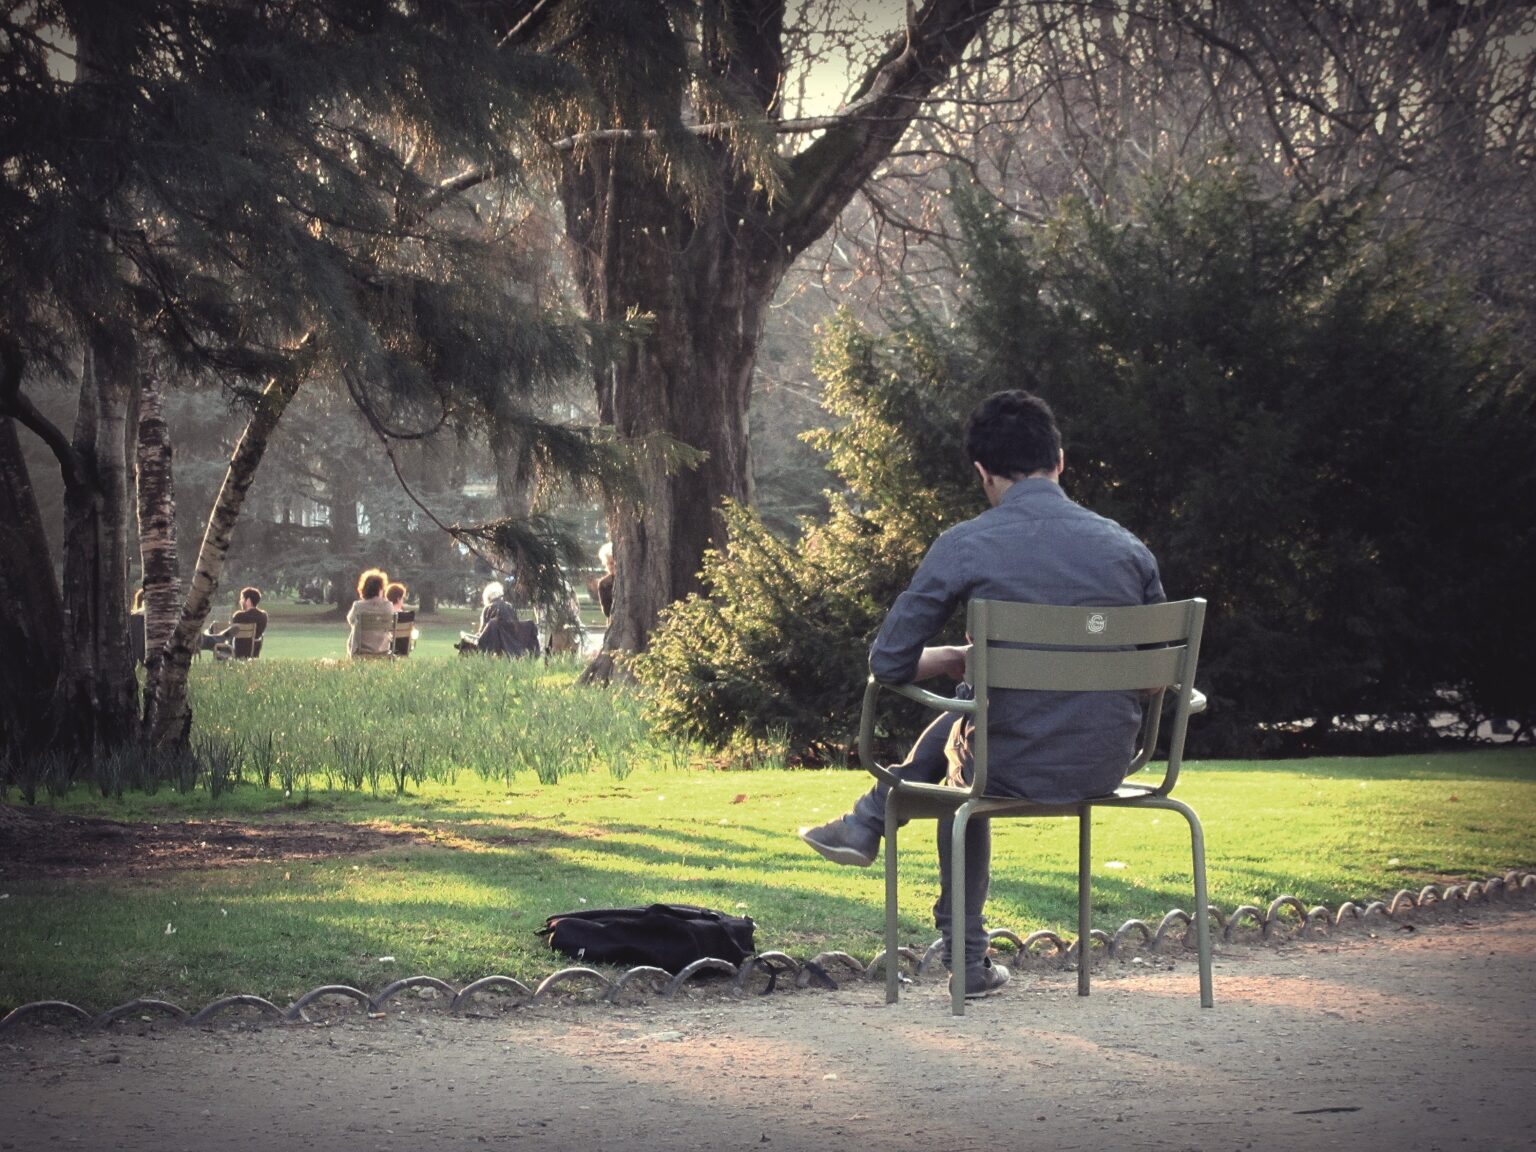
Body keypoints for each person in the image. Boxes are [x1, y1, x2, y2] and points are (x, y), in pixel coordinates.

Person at [797, 390, 1165, 1000]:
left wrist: (949, 660)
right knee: (977, 706)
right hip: (1108, 763)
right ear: (1061, 461)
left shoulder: (967, 543)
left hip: (1006, 764)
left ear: (983, 473)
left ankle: (956, 944)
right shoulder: (1127, 546)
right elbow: (1156, 676)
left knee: (964, 756)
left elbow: (888, 662)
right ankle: (868, 825)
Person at [457, 580, 537, 657]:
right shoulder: (510, 607)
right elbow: (515, 625)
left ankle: (462, 649)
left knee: (465, 638)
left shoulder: (488, 608)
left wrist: (475, 636)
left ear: (488, 597)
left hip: (494, 645)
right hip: (512, 645)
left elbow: (483, 633)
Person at [346, 569, 395, 658]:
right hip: (382, 649)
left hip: (362, 649)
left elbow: (350, 620)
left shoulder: (358, 606)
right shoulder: (389, 606)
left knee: (355, 630)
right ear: (381, 589)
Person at [211, 586, 269, 659]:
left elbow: (231, 633)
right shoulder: (264, 616)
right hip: (254, 652)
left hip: (237, 651)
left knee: (218, 642)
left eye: (242, 598)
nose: (240, 601)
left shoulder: (239, 616)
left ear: (248, 600)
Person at [595, 542, 615, 619]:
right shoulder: (604, 583)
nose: (611, 566)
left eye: (613, 563)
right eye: (609, 563)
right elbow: (607, 611)